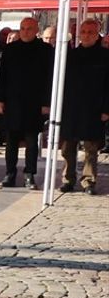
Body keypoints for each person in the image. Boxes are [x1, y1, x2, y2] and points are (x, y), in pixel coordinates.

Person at [0, 17, 53, 188]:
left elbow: (49, 78)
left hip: (34, 103)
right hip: (12, 102)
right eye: (22, 28)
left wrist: (46, 102)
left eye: (29, 29)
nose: (25, 32)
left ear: (36, 31)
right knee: (11, 141)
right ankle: (9, 173)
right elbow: (2, 76)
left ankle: (29, 174)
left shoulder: (45, 50)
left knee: (31, 141)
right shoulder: (10, 49)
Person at [57, 19, 109, 194]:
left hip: (93, 108)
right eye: (84, 31)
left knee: (91, 148)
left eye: (90, 32)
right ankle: (68, 178)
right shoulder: (70, 54)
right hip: (70, 107)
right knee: (67, 148)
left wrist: (106, 109)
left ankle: (88, 181)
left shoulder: (105, 56)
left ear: (97, 34)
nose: (86, 35)